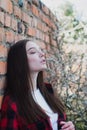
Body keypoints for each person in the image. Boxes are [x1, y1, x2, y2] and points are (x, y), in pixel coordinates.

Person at [0, 39, 75, 130]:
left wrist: (68, 127)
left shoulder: (48, 90)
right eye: (33, 52)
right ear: (20, 60)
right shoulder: (13, 103)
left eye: (40, 50)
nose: (42, 54)